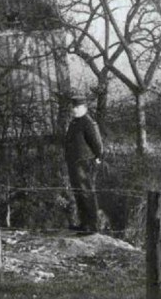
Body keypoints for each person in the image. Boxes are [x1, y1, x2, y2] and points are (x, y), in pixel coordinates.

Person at [63, 90, 103, 234]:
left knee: (86, 192)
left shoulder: (88, 122)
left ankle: (91, 226)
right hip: (74, 162)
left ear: (84, 108)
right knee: (78, 192)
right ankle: (84, 223)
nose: (74, 109)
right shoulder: (75, 122)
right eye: (73, 107)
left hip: (84, 162)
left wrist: (98, 157)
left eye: (77, 107)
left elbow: (97, 143)